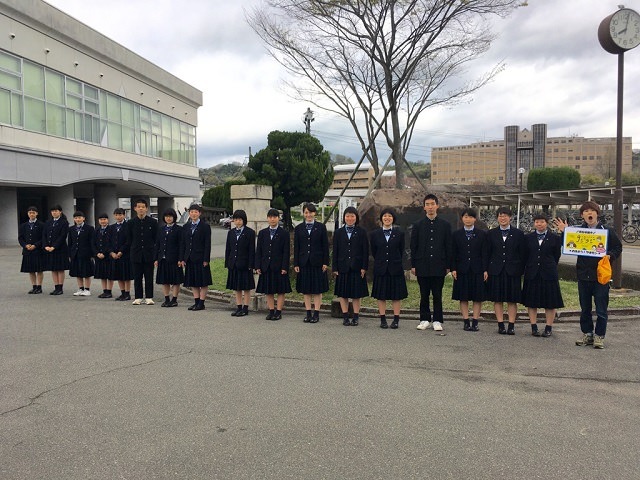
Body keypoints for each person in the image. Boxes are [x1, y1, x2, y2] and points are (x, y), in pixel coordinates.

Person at [554, 201, 622, 349]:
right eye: (586, 211)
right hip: (583, 275)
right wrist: (564, 232)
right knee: (585, 308)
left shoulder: (607, 231)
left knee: (601, 309)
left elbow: (618, 247)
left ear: (597, 213)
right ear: (582, 215)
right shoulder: (577, 231)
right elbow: (565, 245)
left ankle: (599, 336)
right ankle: (587, 334)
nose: (589, 213)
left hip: (601, 275)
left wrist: (610, 255)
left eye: (592, 211)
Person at [411, 194, 452, 332]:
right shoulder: (418, 225)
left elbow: (448, 246)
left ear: (437, 206)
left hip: (439, 265)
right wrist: (413, 265)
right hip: (422, 264)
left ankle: (438, 320)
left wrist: (448, 265)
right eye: (427, 204)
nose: (430, 207)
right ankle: (424, 319)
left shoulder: (445, 225)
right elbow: (413, 246)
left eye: (432, 204)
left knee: (437, 294)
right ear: (424, 207)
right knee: (424, 294)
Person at [522, 213, 564, 337]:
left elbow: (556, 255)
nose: (539, 224)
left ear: (546, 223)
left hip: (549, 272)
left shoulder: (555, 238)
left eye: (542, 222)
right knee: (531, 301)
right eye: (537, 222)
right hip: (532, 272)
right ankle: (533, 326)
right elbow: (525, 254)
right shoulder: (528, 238)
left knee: (550, 302)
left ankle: (548, 327)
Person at [486, 207, 526, 335]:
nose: (502, 218)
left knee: (512, 299)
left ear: (510, 217)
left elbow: (522, 254)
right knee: (497, 299)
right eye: (500, 216)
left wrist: (520, 269)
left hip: (513, 270)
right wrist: (486, 269)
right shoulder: (491, 233)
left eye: (505, 216)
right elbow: (487, 253)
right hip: (496, 270)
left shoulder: (519, 234)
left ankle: (511, 325)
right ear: (497, 218)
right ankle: (500, 324)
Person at [370, 207, 407, 329]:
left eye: (390, 216)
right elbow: (374, 251)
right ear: (381, 218)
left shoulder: (399, 233)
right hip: (381, 268)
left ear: (393, 219)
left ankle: (396, 319)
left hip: (395, 268)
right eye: (385, 216)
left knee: (396, 296)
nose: (387, 218)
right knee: (381, 295)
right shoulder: (375, 234)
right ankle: (383, 319)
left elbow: (401, 250)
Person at [451, 208, 488, 332]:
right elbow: (453, 253)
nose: (468, 219)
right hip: (462, 269)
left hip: (478, 269)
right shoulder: (456, 234)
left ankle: (475, 321)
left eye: (470, 217)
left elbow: (485, 253)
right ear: (462, 219)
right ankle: (466, 321)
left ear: (475, 219)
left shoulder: (482, 234)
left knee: (477, 297)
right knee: (463, 296)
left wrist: (485, 269)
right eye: (465, 217)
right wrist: (453, 268)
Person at [333, 206, 369, 326]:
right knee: (343, 294)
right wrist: (335, 268)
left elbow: (365, 251)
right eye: (347, 216)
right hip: (342, 266)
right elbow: (335, 251)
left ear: (356, 217)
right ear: (344, 218)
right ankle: (345, 316)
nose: (350, 218)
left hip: (357, 267)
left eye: (352, 216)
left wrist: (364, 267)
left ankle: (356, 316)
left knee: (356, 294)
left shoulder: (362, 232)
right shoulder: (338, 232)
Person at [294, 202, 330, 323]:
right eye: (306, 212)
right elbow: (297, 248)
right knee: (306, 289)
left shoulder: (321, 227)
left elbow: (325, 246)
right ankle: (308, 312)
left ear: (314, 213)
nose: (308, 214)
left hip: (318, 262)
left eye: (310, 212)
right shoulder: (298, 228)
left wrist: (325, 262)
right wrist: (296, 264)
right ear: (304, 214)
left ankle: (317, 313)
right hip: (304, 262)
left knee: (317, 289)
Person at [255, 209, 291, 320]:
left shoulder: (284, 233)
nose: (272, 219)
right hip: (266, 266)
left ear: (278, 218)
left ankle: (278, 311)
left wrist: (285, 266)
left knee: (280, 290)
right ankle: (271, 310)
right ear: (267, 218)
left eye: (274, 217)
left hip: (279, 266)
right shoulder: (262, 233)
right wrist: (258, 266)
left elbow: (286, 251)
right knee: (268, 290)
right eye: (270, 217)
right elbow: (259, 251)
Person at [180, 204, 212, 311]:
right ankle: (196, 301)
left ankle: (202, 302)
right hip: (189, 258)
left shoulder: (205, 227)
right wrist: (183, 258)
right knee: (193, 281)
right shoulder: (186, 227)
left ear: (200, 213)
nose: (193, 214)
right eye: (192, 212)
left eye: (196, 212)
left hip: (201, 258)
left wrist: (206, 259)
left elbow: (207, 244)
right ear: (189, 213)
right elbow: (183, 244)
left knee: (203, 281)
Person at [225, 209, 256, 316]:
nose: (237, 221)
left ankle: (246, 307)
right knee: (236, 287)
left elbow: (252, 250)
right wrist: (227, 263)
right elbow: (228, 249)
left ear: (244, 220)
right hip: (233, 264)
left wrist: (251, 264)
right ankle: (238, 307)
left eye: (240, 219)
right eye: (236, 219)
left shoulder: (250, 233)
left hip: (245, 264)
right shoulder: (231, 233)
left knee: (246, 287)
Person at [128, 198, 158, 305]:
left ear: (146, 208)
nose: (141, 209)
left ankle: (149, 297)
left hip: (149, 254)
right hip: (135, 253)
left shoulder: (153, 222)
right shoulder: (131, 223)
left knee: (149, 276)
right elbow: (129, 239)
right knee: (137, 277)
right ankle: (138, 297)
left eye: (143, 207)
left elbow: (156, 239)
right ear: (135, 208)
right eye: (139, 207)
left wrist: (155, 256)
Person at [154, 208, 184, 307]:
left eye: (170, 216)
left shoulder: (179, 229)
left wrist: (180, 259)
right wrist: (156, 259)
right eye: (166, 216)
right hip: (162, 258)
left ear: (174, 217)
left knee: (176, 281)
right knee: (164, 280)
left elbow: (181, 245)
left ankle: (174, 299)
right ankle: (166, 299)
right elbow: (157, 245)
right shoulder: (161, 229)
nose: (168, 218)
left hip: (175, 259)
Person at [42, 205, 69, 295]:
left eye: (56, 211)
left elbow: (63, 236)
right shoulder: (48, 222)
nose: (54, 212)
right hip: (49, 248)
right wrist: (45, 245)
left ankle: (60, 288)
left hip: (60, 249)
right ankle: (56, 287)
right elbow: (44, 235)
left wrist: (54, 246)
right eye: (52, 211)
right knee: (53, 268)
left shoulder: (64, 222)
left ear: (60, 212)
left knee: (60, 269)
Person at [18, 206, 45, 294]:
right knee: (31, 270)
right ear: (28, 214)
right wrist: (25, 245)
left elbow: (43, 238)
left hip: (38, 250)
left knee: (39, 270)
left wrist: (35, 245)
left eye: (33, 212)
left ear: (37, 213)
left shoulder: (41, 225)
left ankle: (39, 287)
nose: (31, 214)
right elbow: (20, 238)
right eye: (30, 212)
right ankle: (34, 286)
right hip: (27, 251)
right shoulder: (23, 226)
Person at [68, 211, 95, 296]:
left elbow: (92, 242)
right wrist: (70, 254)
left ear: (83, 218)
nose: (78, 219)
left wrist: (92, 254)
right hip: (75, 253)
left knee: (86, 272)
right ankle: (80, 288)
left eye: (79, 217)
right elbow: (70, 242)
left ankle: (87, 289)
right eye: (76, 218)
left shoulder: (89, 228)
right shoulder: (71, 229)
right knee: (77, 272)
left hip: (86, 254)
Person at [109, 208, 132, 301]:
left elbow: (129, 240)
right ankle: (122, 293)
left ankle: (127, 293)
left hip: (125, 254)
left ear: (124, 215)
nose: (118, 217)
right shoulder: (111, 227)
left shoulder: (128, 226)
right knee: (119, 275)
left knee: (126, 275)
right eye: (116, 215)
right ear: (114, 216)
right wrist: (111, 252)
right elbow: (108, 241)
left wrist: (121, 251)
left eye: (120, 215)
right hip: (114, 255)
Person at [93, 213, 113, 298]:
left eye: (104, 219)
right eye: (101, 219)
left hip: (108, 256)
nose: (103, 221)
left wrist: (104, 253)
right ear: (98, 221)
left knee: (109, 274)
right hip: (98, 256)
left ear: (107, 220)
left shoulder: (111, 229)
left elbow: (111, 243)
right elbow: (93, 243)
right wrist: (97, 253)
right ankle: (104, 290)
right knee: (102, 274)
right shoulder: (96, 230)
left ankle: (109, 291)